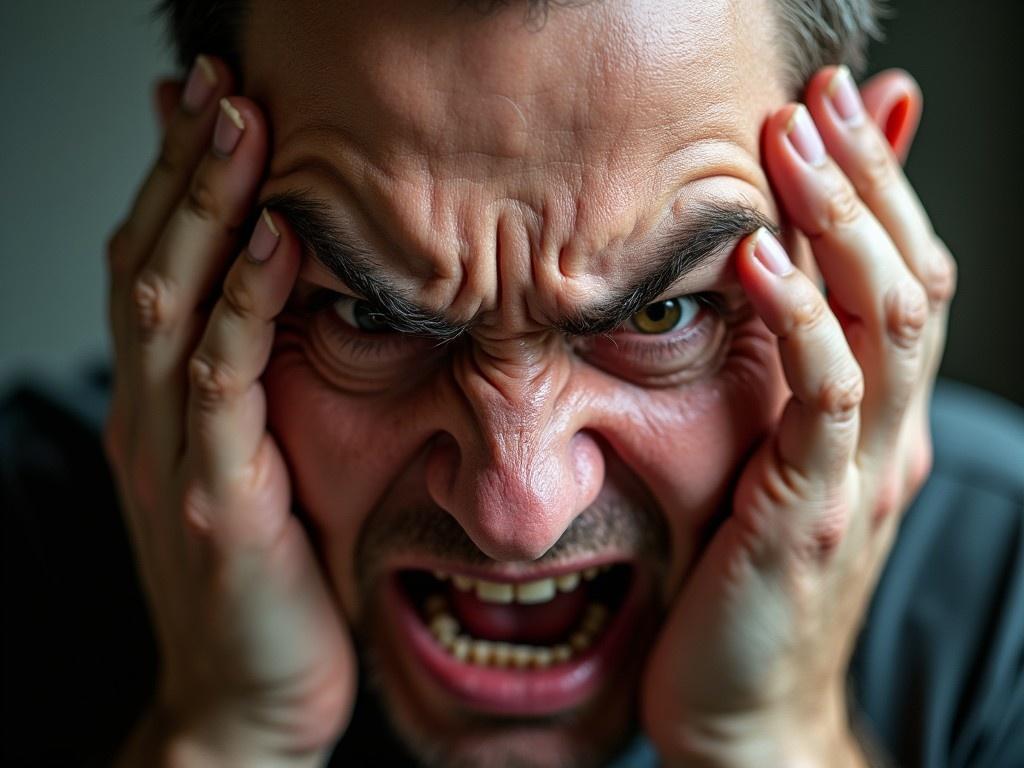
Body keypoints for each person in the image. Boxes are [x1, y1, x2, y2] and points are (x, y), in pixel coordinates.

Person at [1, 1, 1022, 766]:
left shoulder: (1003, 614)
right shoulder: (29, 539)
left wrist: (776, 741)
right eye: (367, 314)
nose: (516, 512)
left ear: (853, 210)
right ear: (195, 205)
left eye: (663, 313)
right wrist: (221, 733)